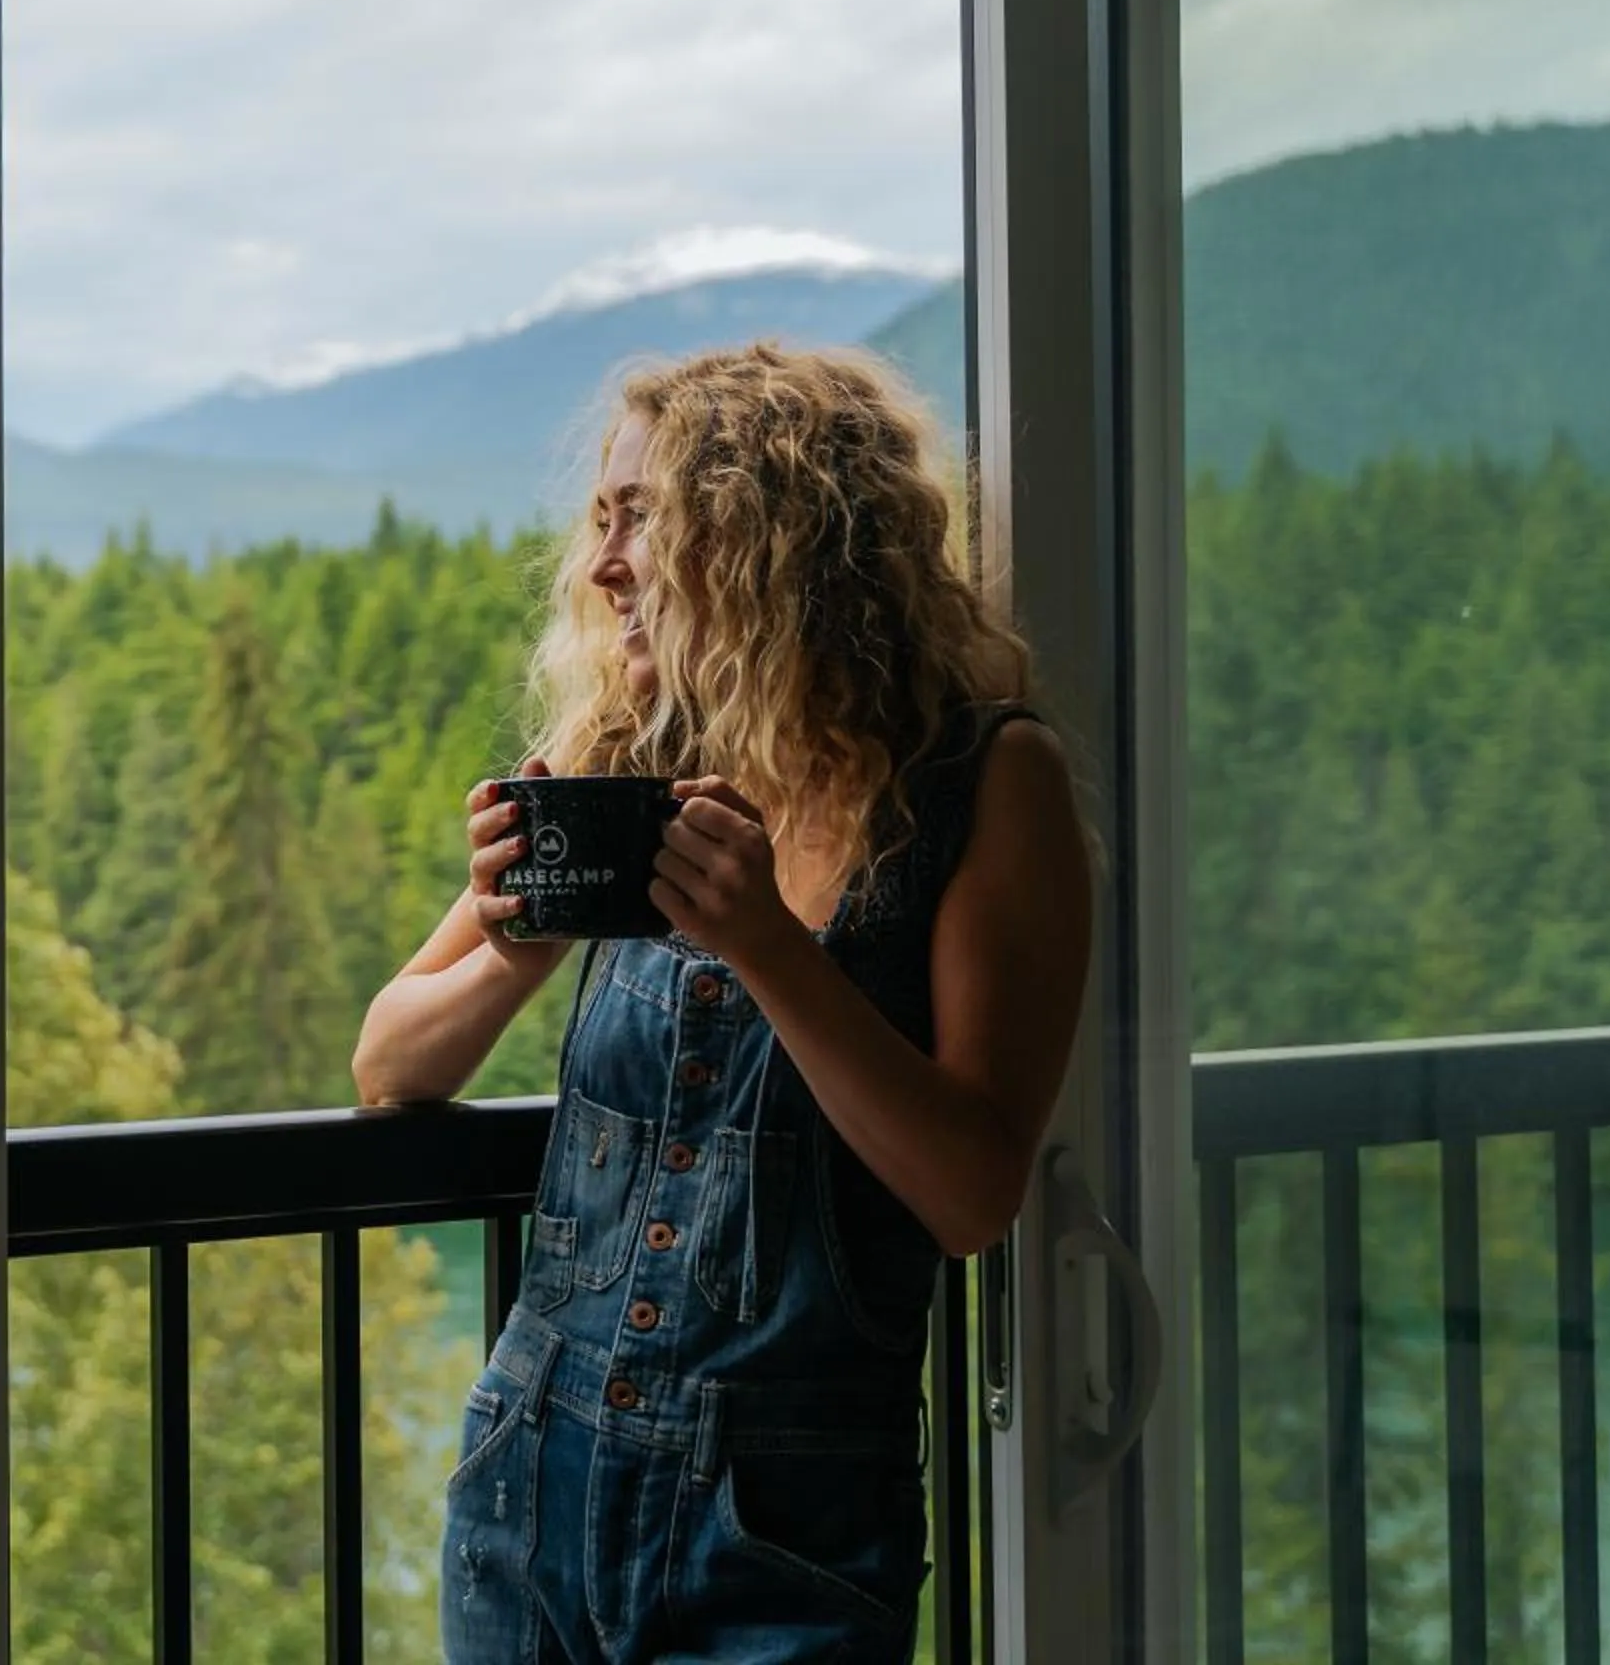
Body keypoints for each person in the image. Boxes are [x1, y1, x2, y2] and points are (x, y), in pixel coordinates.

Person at [351, 343, 1093, 1665]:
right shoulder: (626, 761)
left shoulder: (986, 783)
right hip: (530, 1486)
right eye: (602, 521)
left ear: (770, 538)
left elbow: (973, 1190)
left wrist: (769, 948)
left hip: (782, 1532)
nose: (605, 564)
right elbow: (391, 1065)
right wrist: (525, 936)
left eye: (646, 518)